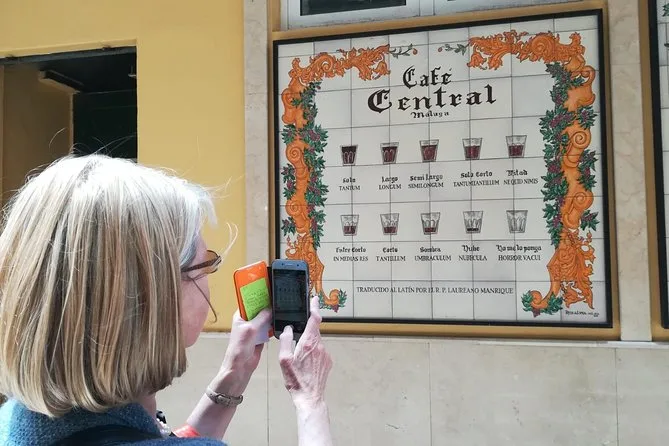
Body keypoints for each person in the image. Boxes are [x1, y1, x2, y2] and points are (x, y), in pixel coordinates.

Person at [0, 155, 333, 445]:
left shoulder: (15, 418)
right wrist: (311, 400)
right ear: (156, 294)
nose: (209, 278)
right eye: (205, 264)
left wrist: (232, 377)